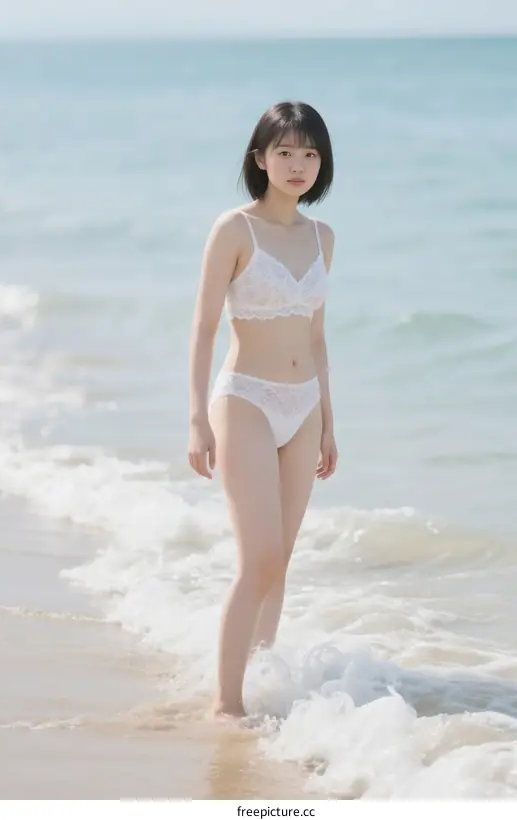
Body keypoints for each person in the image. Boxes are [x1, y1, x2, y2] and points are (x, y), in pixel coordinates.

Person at [187, 100, 338, 718]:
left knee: (283, 560)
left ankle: (264, 680)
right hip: (245, 399)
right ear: (260, 159)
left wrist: (329, 421)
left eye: (309, 153)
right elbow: (202, 328)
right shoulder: (234, 229)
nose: (297, 164)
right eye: (285, 152)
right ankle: (227, 705)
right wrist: (196, 417)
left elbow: (317, 334)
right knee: (260, 558)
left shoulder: (323, 236)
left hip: (303, 408)